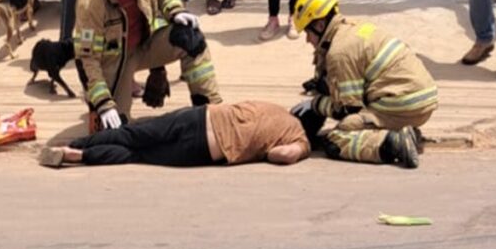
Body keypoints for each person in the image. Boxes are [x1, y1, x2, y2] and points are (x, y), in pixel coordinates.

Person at [73, 0, 221, 129]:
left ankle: (212, 111)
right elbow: (87, 58)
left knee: (191, 38)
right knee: (113, 131)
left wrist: (175, 11)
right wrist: (103, 103)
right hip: (114, 62)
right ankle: (107, 107)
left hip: (145, 45)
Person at [289, 0, 437, 169]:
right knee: (359, 121)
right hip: (422, 99)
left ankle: (394, 143)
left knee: (337, 138)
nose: (307, 40)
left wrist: (315, 105)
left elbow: (347, 109)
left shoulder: (339, 53)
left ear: (319, 26)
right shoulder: (353, 28)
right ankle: (403, 131)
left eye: (307, 32)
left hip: (402, 104)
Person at [38, 100, 309, 168]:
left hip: (200, 115)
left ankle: (75, 144)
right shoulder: (300, 138)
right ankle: (78, 156)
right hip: (204, 149)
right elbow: (282, 154)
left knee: (133, 134)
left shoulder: (276, 108)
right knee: (136, 154)